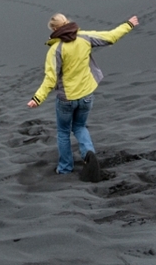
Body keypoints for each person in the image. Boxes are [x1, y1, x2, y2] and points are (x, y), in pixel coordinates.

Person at [27, 12, 139, 182]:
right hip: (86, 95)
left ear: (54, 29)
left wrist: (37, 99)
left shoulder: (55, 49)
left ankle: (65, 167)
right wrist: (128, 25)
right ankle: (88, 153)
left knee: (64, 132)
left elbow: (50, 78)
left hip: (66, 98)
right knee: (80, 127)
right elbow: (110, 37)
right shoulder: (85, 37)